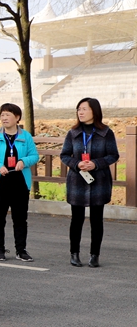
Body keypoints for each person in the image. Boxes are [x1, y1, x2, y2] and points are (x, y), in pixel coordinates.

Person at [60, 97, 119, 268]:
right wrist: (77, 164)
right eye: (79, 109)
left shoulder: (106, 132)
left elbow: (113, 155)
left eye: (84, 109)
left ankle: (95, 255)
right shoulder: (73, 133)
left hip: (99, 181)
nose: (81, 112)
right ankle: (74, 254)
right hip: (77, 181)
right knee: (76, 219)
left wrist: (96, 163)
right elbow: (64, 155)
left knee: (97, 220)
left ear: (94, 111)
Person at [0, 103, 39, 262]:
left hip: (20, 183)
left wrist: (23, 161)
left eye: (8, 114)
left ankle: (21, 250)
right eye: (2, 115)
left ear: (17, 117)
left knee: (20, 219)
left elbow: (34, 156)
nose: (4, 118)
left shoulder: (25, 136)